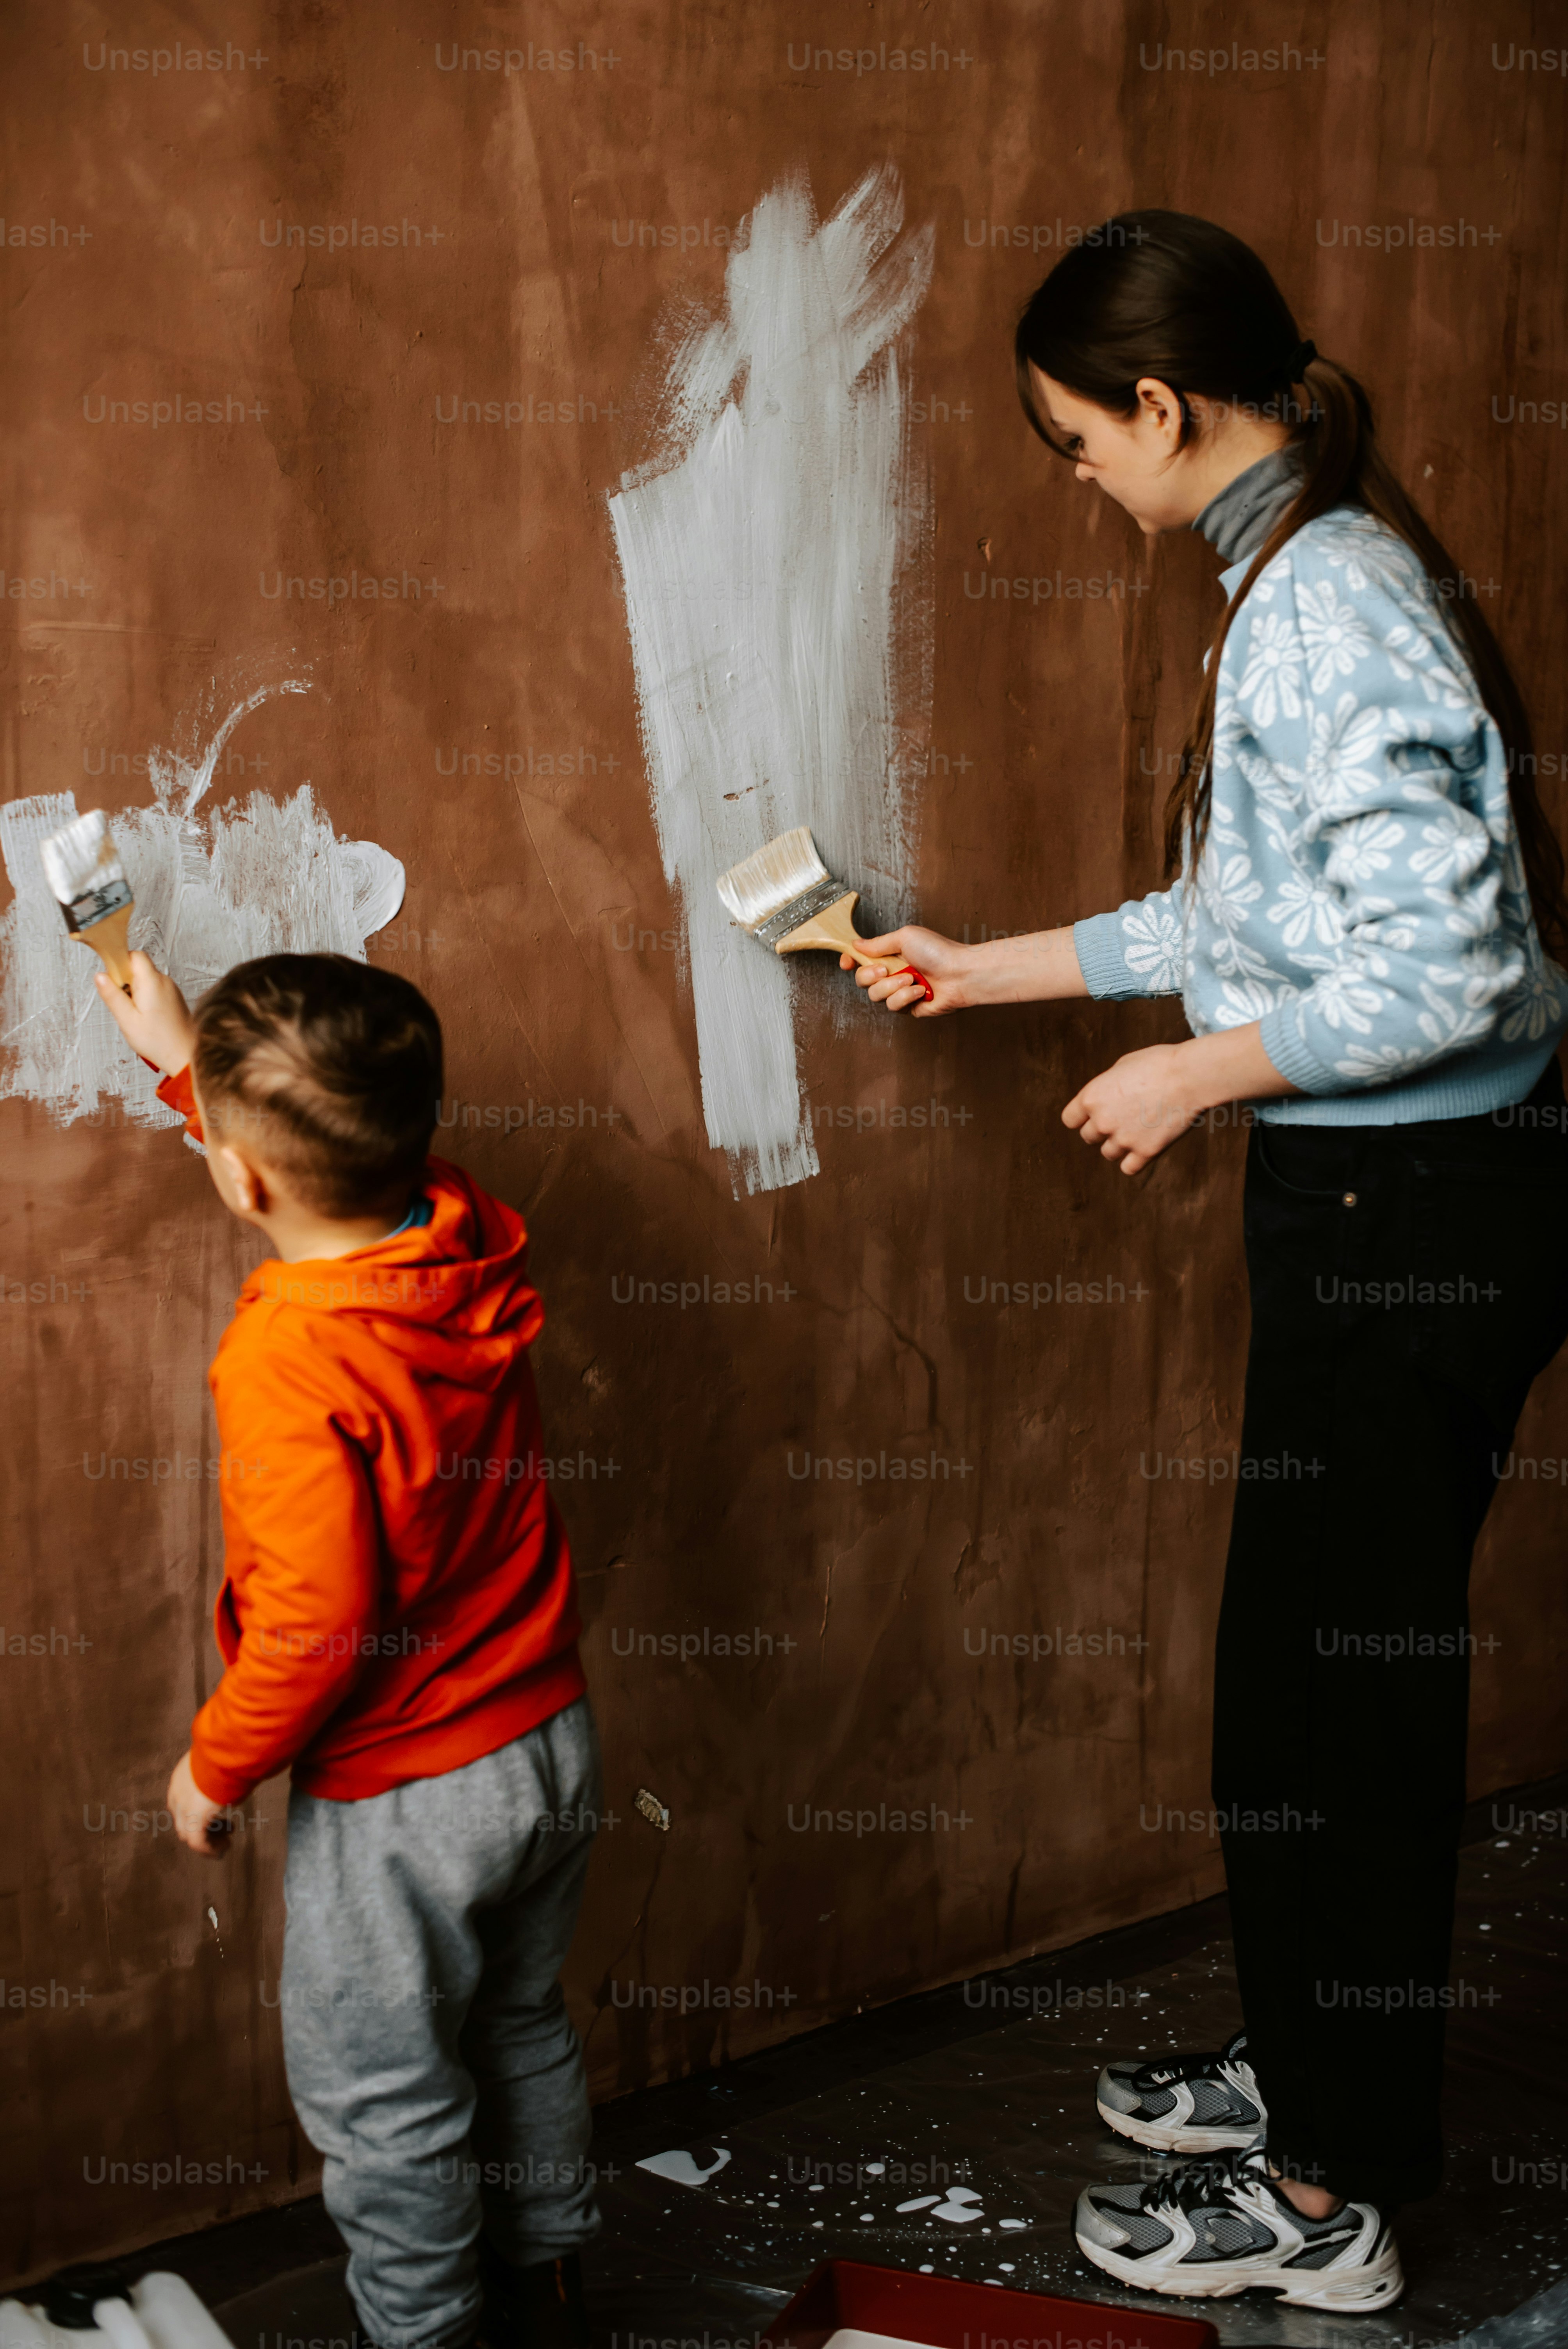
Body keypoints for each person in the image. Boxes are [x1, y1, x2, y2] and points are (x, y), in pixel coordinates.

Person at [845, 210, 1568, 2310]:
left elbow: (1449, 967)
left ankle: (1334, 2198)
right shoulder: (1293, 568)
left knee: (1335, 1709)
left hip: (1414, 1208)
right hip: (1383, 1193)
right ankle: (1317, 2061)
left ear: (1161, 407)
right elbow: (1259, 916)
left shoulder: (1324, 600)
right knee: (1293, 1690)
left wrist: (1193, 1074)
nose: (1079, 481)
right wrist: (988, 969)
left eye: (1077, 443)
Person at [96, 950, 599, 2349]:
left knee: (384, 2098)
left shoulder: (288, 1365)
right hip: (550, 1737)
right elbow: (343, 1167)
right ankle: (554, 2286)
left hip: (408, 1797)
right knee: (517, 2020)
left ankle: (424, 2334)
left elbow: (315, 1628)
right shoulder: (463, 1234)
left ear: (242, 1179)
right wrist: (191, 1068)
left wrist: (214, 1766)